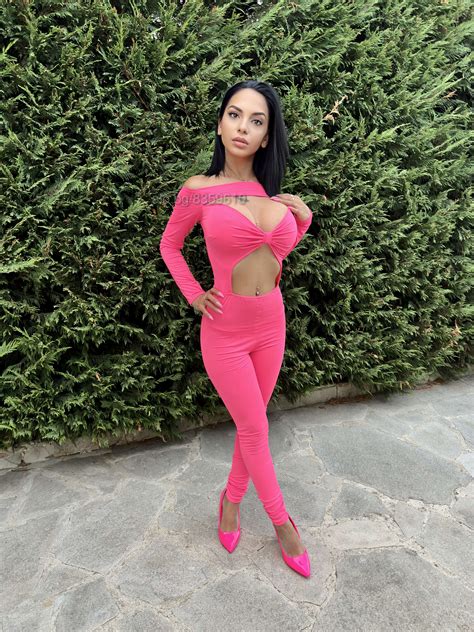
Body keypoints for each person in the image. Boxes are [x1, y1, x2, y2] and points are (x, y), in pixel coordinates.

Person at [159, 80, 313, 578]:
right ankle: (283, 524)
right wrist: (193, 294)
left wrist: (303, 223)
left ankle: (230, 500)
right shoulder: (197, 191)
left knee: (253, 426)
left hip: (272, 325)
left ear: (267, 137)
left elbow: (273, 254)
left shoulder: (272, 195)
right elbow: (169, 246)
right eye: (234, 114)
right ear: (220, 123)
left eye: (256, 120)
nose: (243, 127)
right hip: (224, 332)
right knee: (255, 428)